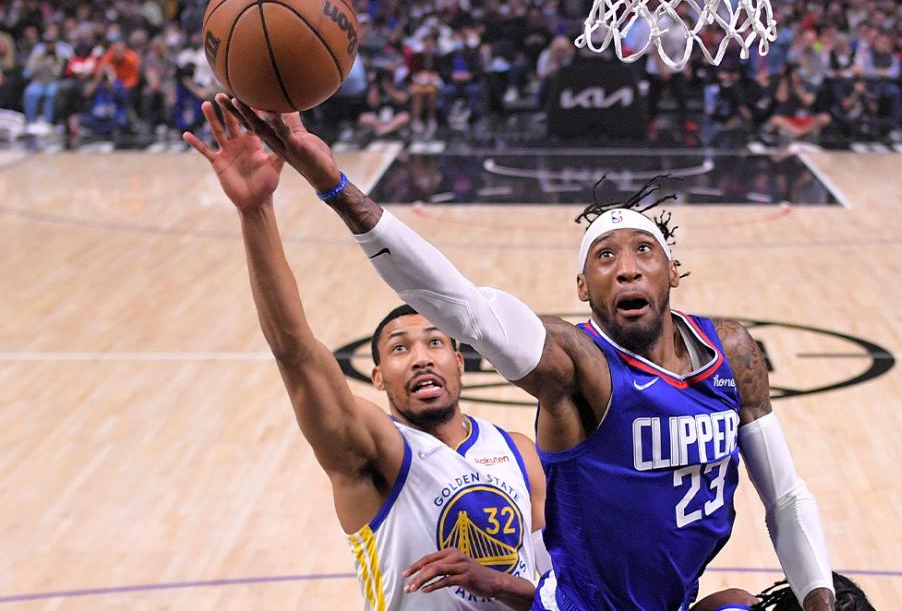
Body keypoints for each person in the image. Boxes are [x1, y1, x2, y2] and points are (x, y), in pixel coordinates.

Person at [217, 92, 836, 611]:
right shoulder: (577, 366)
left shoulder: (732, 351)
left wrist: (819, 600)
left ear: (674, 271)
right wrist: (334, 184)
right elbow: (463, 307)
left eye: (643, 252)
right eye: (605, 256)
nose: (626, 269)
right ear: (581, 288)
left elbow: (783, 495)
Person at [181, 102, 550, 610]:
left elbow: (553, 589)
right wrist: (256, 211)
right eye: (400, 348)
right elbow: (295, 353)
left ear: (461, 363)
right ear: (377, 376)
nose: (421, 357)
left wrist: (496, 583)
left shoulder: (518, 451)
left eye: (435, 342)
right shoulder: (376, 449)